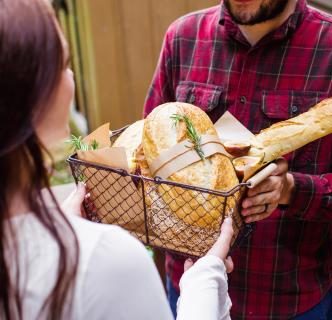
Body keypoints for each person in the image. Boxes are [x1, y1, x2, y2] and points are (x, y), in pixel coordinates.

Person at [0, 0, 235, 319]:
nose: (70, 77)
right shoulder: (106, 259)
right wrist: (203, 284)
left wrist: (67, 224)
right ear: (34, 96)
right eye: (65, 64)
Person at [144, 0, 332, 318]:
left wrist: (291, 190)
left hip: (289, 303)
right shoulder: (183, 37)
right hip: (191, 293)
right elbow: (147, 156)